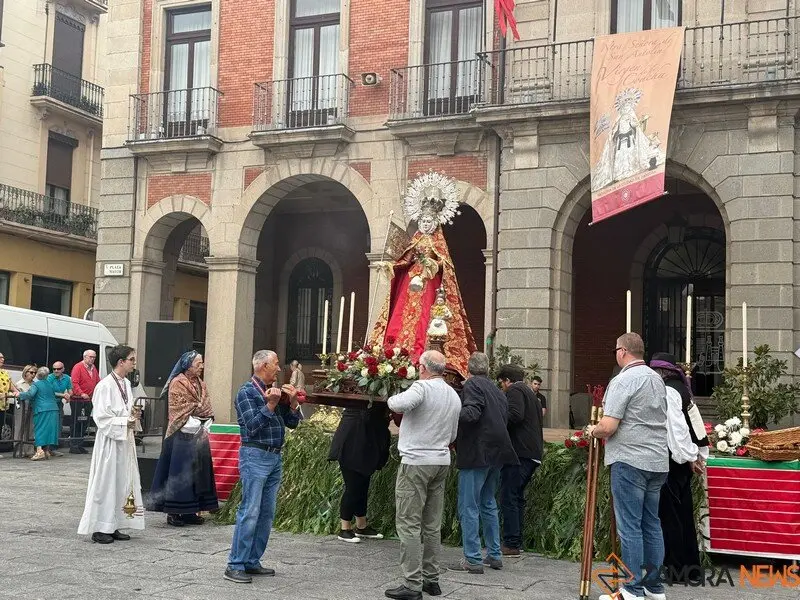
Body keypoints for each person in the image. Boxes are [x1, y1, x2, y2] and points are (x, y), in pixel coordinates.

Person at [587, 333, 669, 600]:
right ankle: (653, 587)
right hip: (657, 460)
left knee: (630, 527)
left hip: (630, 459)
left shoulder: (623, 380)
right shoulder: (657, 378)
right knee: (651, 524)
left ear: (622, 351)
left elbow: (609, 425)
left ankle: (631, 590)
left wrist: (593, 430)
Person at [370, 181, 476, 377]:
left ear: (435, 222)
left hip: (428, 283)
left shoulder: (438, 243)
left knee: (425, 318)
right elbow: (406, 258)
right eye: (423, 221)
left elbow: (445, 265)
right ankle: (398, 350)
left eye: (429, 221)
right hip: (410, 285)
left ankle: (422, 352)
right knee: (402, 316)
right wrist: (390, 266)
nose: (426, 224)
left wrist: (431, 264)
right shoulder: (416, 239)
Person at [384, 350, 460, 600]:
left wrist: (392, 396)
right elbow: (453, 436)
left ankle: (412, 583)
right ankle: (432, 580)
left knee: (408, 522)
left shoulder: (422, 387)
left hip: (417, 461)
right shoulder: (452, 394)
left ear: (424, 368)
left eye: (419, 366)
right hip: (441, 461)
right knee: (432, 525)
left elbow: (397, 404)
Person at [225, 350, 301, 584]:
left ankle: (252, 561)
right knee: (250, 511)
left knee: (266, 514)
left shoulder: (274, 391)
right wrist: (270, 405)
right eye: (276, 365)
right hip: (255, 454)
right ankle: (235, 564)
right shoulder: (247, 392)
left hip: (274, 457)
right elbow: (252, 427)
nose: (279, 369)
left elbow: (292, 423)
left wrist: (293, 402)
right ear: (262, 366)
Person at [452, 352, 518, 574]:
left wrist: (449, 411)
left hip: (477, 453)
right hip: (498, 453)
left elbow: (471, 413)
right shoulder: (497, 391)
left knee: (468, 506)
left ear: (469, 369)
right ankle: (494, 554)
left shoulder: (472, 386)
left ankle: (472, 559)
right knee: (488, 503)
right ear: (488, 369)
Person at [650, 352, 709, 580]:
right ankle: (691, 568)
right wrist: (697, 454)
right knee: (683, 514)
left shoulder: (668, 391)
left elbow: (677, 431)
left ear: (660, 372)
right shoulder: (683, 389)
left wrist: (688, 455)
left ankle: (674, 568)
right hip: (684, 461)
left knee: (670, 517)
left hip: (674, 461)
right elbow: (697, 426)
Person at [77, 345, 144, 544]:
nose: (134, 363)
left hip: (124, 440)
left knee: (122, 481)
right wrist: (125, 421)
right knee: (106, 483)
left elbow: (125, 409)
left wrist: (133, 415)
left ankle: (114, 524)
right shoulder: (105, 385)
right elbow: (101, 417)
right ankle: (100, 527)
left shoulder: (124, 383)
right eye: (131, 359)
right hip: (110, 442)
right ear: (120, 362)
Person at [147, 350, 218, 527]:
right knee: (178, 472)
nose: (201, 366)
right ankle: (174, 511)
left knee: (197, 473)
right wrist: (197, 408)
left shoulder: (201, 383)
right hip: (181, 433)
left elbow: (206, 406)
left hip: (199, 433)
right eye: (198, 363)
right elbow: (179, 408)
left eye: (201, 363)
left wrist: (203, 416)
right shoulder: (177, 383)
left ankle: (191, 510)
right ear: (187, 365)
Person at [497, 364, 544, 556]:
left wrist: (497, 420)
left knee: (509, 496)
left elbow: (515, 415)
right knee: (516, 497)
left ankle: (511, 542)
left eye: (501, 383)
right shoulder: (529, 393)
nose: (502, 387)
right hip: (531, 452)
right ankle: (516, 540)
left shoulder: (515, 390)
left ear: (507, 380)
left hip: (519, 453)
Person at [328, 404, 391, 543]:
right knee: (353, 487)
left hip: (366, 442)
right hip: (351, 442)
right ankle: (344, 528)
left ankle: (361, 526)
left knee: (363, 485)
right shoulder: (358, 408)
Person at [19, 367, 61, 461]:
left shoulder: (36, 384)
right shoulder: (50, 384)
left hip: (42, 409)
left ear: (38, 374)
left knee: (40, 429)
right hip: (53, 408)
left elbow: (30, 394)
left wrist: (19, 394)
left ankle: (39, 451)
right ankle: (46, 451)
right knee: (49, 431)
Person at [70, 349, 101, 454]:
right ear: (85, 357)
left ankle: (80, 444)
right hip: (78, 400)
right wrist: (81, 393)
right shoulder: (78, 367)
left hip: (89, 400)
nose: (93, 359)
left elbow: (97, 381)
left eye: (94, 357)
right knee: (76, 422)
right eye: (90, 357)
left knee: (84, 422)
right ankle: (74, 445)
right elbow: (74, 382)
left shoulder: (93, 368)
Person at [46, 361, 73, 457]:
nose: (56, 371)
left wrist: (69, 396)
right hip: (49, 403)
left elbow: (70, 390)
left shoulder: (67, 378)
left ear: (63, 369)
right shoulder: (50, 377)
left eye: (58, 369)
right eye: (54, 369)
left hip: (58, 404)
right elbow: (49, 391)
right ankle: (46, 448)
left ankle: (52, 449)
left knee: (58, 426)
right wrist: (63, 395)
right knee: (49, 425)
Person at [13, 365, 37, 458]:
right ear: (25, 372)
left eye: (35, 373)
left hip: (32, 408)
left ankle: (29, 450)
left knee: (31, 429)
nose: (33, 374)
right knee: (20, 428)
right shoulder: (19, 384)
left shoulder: (35, 384)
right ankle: (18, 450)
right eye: (31, 372)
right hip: (22, 408)